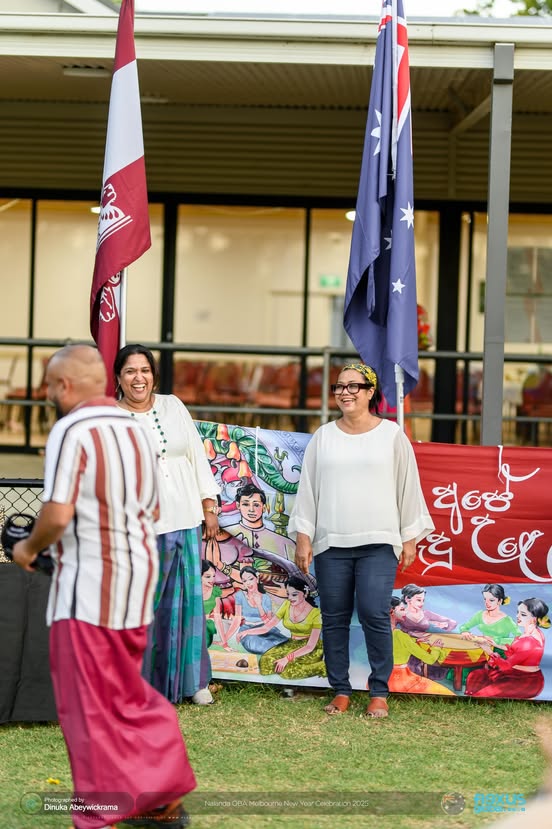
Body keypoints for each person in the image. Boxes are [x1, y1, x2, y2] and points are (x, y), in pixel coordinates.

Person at [12, 344, 194, 829]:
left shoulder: (71, 429)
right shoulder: (136, 432)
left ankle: (100, 814)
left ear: (65, 386)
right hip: (136, 586)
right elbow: (153, 509)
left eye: (51, 386)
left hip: (88, 593)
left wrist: (28, 549)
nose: (50, 394)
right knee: (127, 694)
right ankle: (161, 802)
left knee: (87, 708)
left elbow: (56, 513)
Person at [288, 362, 434, 718]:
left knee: (373, 613)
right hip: (331, 543)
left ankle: (379, 691)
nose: (345, 393)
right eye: (339, 387)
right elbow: (308, 491)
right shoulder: (324, 436)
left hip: (379, 541)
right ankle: (340, 689)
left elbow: (407, 487)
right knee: (334, 617)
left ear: (371, 392)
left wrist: (409, 537)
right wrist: (304, 538)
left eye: (354, 386)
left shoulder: (391, 435)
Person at [114, 343, 221, 706]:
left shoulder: (173, 406)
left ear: (153, 375)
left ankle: (193, 683)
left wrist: (209, 505)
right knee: (145, 606)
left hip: (185, 518)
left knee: (188, 605)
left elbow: (195, 453)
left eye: (144, 371)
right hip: (139, 528)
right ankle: (138, 683)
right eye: (130, 371)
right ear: (118, 378)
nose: (138, 378)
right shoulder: (111, 417)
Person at [465, 597, 550, 699]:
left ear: (534, 619)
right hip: (513, 673)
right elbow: (515, 652)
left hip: (525, 680)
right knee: (476, 675)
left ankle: (475, 700)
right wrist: (494, 644)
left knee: (481, 693)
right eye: (518, 612)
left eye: (523, 614)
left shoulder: (529, 641)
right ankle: (472, 700)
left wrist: (488, 651)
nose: (518, 616)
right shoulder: (530, 633)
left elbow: (506, 665)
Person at [248, 575, 326, 680]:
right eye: (288, 594)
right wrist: (247, 632)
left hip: (309, 647)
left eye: (294, 594)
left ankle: (322, 666)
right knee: (265, 663)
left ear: (305, 593)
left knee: (287, 671)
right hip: (291, 643)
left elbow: (310, 646)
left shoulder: (316, 613)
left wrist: (286, 659)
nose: (290, 598)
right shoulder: (286, 604)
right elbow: (267, 627)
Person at [388, 598, 454, 696]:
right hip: (400, 679)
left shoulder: (382, 632)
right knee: (446, 692)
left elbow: (397, 645)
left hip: (383, 677)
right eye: (402, 609)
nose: (405, 612)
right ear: (391, 612)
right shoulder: (400, 635)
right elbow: (430, 659)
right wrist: (436, 648)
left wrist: (414, 641)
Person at [223, 564, 288, 654]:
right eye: (245, 581)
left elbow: (268, 623)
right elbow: (237, 620)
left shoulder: (266, 598)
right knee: (263, 646)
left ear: (257, 579)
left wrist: (259, 605)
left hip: (265, 629)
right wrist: (225, 640)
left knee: (286, 644)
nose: (248, 583)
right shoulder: (240, 596)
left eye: (251, 579)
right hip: (247, 631)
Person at [226, 483, 296, 561]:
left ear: (264, 508)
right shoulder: (226, 535)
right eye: (246, 504)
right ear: (238, 506)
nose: (251, 509)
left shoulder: (285, 544)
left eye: (256, 505)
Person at [459, 583, 519, 648]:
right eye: (485, 599)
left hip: (500, 651)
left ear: (500, 601)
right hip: (482, 648)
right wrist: (464, 632)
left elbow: (520, 639)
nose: (487, 603)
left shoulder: (507, 620)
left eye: (491, 600)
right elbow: (464, 626)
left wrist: (497, 640)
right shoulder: (480, 615)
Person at [201, 559, 226, 649]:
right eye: (208, 576)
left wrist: (224, 642)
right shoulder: (191, 590)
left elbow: (217, 616)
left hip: (207, 629)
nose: (212, 579)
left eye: (213, 576)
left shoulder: (215, 591)